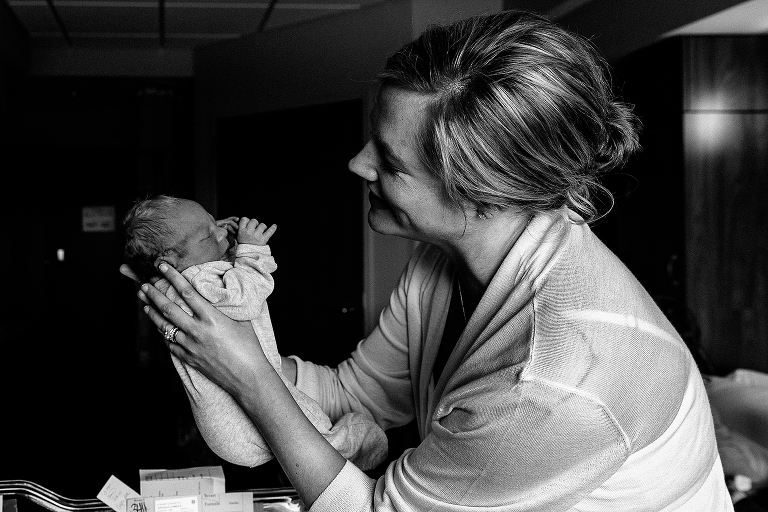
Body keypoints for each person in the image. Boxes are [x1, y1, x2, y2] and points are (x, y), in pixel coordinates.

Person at [125, 11, 734, 511]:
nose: (358, 165)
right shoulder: (440, 265)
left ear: (481, 191)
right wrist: (209, 332)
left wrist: (249, 377)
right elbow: (353, 393)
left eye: (390, 163)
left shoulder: (558, 379)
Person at [122, 195, 388, 470]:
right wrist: (252, 251)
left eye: (215, 222)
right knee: (316, 437)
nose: (221, 231)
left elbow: (217, 281)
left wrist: (218, 244)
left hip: (227, 431)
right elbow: (246, 299)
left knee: (303, 444)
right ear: (168, 260)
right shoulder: (200, 279)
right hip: (239, 419)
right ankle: (362, 444)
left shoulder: (172, 283)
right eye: (207, 235)